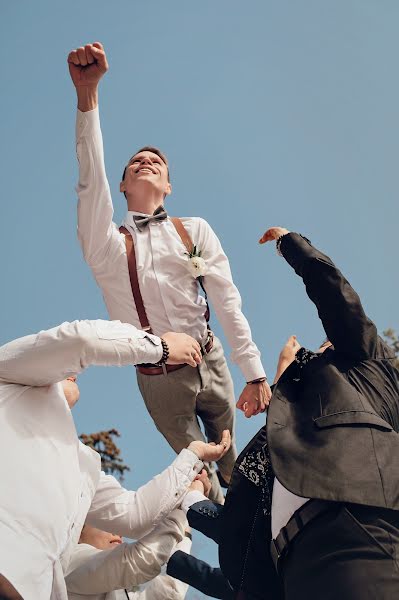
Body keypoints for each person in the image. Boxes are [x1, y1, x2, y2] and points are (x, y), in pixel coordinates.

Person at [67, 41, 271, 503]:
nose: (146, 160)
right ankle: (236, 557)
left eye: (157, 161)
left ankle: (271, 543)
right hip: (158, 379)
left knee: (239, 465)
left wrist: (255, 373)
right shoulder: (106, 244)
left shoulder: (194, 228)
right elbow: (88, 179)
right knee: (200, 476)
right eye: (136, 161)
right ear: (121, 185)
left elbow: (226, 298)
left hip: (212, 361)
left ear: (169, 184)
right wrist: (88, 97)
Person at [0, 318, 231, 600]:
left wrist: (192, 456)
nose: (73, 373)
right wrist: (161, 348)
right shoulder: (6, 376)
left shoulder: (82, 463)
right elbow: (81, 341)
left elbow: (135, 515)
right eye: (63, 370)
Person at [260, 227, 399, 600]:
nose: (320, 346)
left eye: (325, 344)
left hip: (356, 529)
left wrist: (290, 243)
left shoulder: (367, 358)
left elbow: (336, 297)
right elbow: (284, 448)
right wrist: (282, 376)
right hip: (295, 561)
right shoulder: (310, 398)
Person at [66, 518, 192, 599]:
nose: (118, 532)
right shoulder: (72, 561)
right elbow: (137, 561)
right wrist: (180, 515)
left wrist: (184, 534)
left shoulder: (116, 590)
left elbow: (168, 594)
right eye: (106, 525)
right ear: (78, 535)